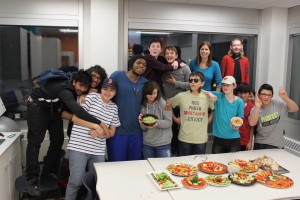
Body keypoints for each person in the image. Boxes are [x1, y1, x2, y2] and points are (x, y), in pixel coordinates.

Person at [26, 70, 107, 196]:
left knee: (58, 139)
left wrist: (87, 93)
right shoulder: (64, 90)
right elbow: (79, 112)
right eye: (80, 86)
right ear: (74, 82)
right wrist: (100, 123)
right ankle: (32, 178)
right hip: (37, 105)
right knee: (35, 142)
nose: (82, 89)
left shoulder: (74, 83)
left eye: (85, 87)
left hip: (53, 107)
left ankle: (47, 171)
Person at [65, 78, 120, 200]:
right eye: (105, 88)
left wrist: (99, 132)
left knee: (96, 184)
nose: (108, 92)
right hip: (78, 147)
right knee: (75, 182)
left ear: (115, 93)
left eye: (111, 90)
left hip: (98, 151)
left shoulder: (114, 108)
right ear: (101, 89)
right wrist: (96, 126)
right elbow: (77, 117)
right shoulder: (91, 97)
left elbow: (111, 132)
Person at [106, 55, 148, 161]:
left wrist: (168, 102)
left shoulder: (145, 83)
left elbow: (154, 98)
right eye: (138, 63)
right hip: (117, 131)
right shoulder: (117, 75)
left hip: (136, 132)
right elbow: (104, 91)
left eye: (144, 65)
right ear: (131, 64)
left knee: (134, 166)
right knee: (116, 165)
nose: (141, 66)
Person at [167, 72, 215, 156]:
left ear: (202, 83)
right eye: (190, 80)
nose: (192, 82)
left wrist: (209, 119)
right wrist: (174, 118)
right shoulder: (181, 96)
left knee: (197, 165)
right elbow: (168, 103)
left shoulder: (208, 97)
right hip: (184, 138)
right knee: (183, 166)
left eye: (196, 80)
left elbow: (213, 109)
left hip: (201, 139)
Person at [249, 84, 299, 149]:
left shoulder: (278, 104)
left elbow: (295, 109)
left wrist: (285, 98)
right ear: (258, 95)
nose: (266, 97)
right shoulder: (255, 108)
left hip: (277, 144)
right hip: (260, 143)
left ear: (272, 96)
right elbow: (252, 123)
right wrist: (257, 107)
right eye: (263, 94)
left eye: (269, 95)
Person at [64, 65, 108, 137]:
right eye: (94, 76)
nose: (96, 80)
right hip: (76, 128)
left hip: (95, 130)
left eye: (99, 78)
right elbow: (65, 112)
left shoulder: (101, 92)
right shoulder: (75, 87)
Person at [161, 46, 190, 155]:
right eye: (167, 53)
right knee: (170, 129)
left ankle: (180, 153)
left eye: (172, 53)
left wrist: (176, 83)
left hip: (182, 105)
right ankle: (171, 152)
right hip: (167, 104)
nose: (169, 55)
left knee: (182, 129)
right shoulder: (164, 68)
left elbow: (191, 84)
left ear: (176, 55)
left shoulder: (185, 68)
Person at [138, 81, 172, 159]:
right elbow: (143, 129)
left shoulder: (164, 103)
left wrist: (156, 123)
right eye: (149, 93)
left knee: (163, 168)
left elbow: (169, 122)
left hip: (163, 144)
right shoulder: (142, 105)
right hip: (147, 144)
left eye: (154, 93)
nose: (152, 96)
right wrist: (141, 123)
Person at [211, 76, 244, 154]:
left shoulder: (239, 101)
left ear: (234, 86)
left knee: (232, 165)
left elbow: (240, 120)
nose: (225, 87)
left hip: (234, 139)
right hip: (218, 139)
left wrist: (237, 126)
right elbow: (202, 91)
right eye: (223, 85)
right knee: (216, 164)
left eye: (228, 85)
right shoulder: (217, 96)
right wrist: (209, 94)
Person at [235, 83, 255, 151]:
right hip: (233, 138)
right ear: (236, 93)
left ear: (249, 94)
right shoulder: (233, 105)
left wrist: (250, 142)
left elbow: (252, 126)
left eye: (245, 93)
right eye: (240, 93)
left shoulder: (252, 106)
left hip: (245, 140)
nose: (242, 95)